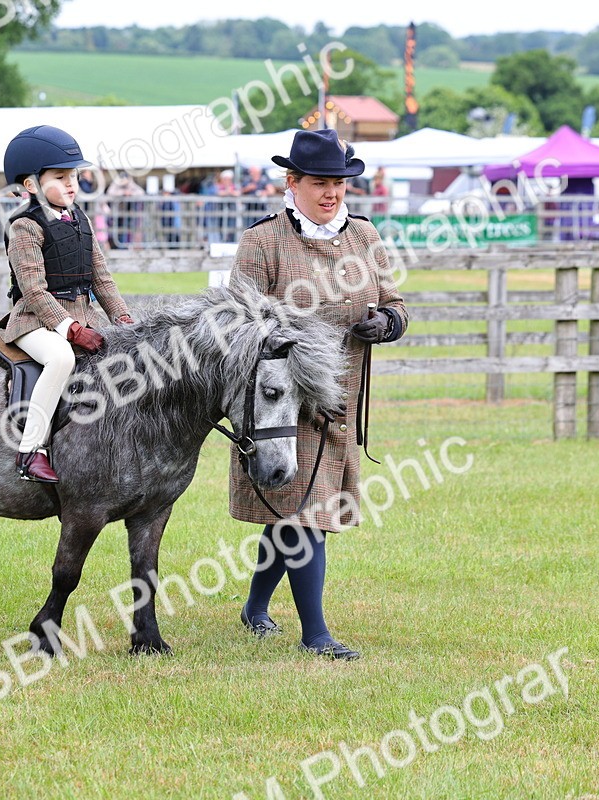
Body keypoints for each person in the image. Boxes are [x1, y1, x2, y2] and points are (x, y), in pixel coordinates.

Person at [230, 128, 408, 661]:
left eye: (338, 183)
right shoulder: (262, 242)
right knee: (304, 511)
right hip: (281, 401)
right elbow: (237, 322)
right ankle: (317, 634)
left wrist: (388, 322)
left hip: (342, 399)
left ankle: (255, 608)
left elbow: (396, 300)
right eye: (319, 183)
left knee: (298, 509)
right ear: (293, 182)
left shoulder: (365, 237)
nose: (331, 193)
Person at [1, 125, 135, 483]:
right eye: (60, 177)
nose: (72, 183)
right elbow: (34, 290)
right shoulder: (24, 227)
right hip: (34, 322)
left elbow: (101, 278)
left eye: (74, 175)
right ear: (31, 185)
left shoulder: (80, 219)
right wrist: (73, 330)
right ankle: (31, 451)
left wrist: (122, 318)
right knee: (60, 357)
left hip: (82, 316)